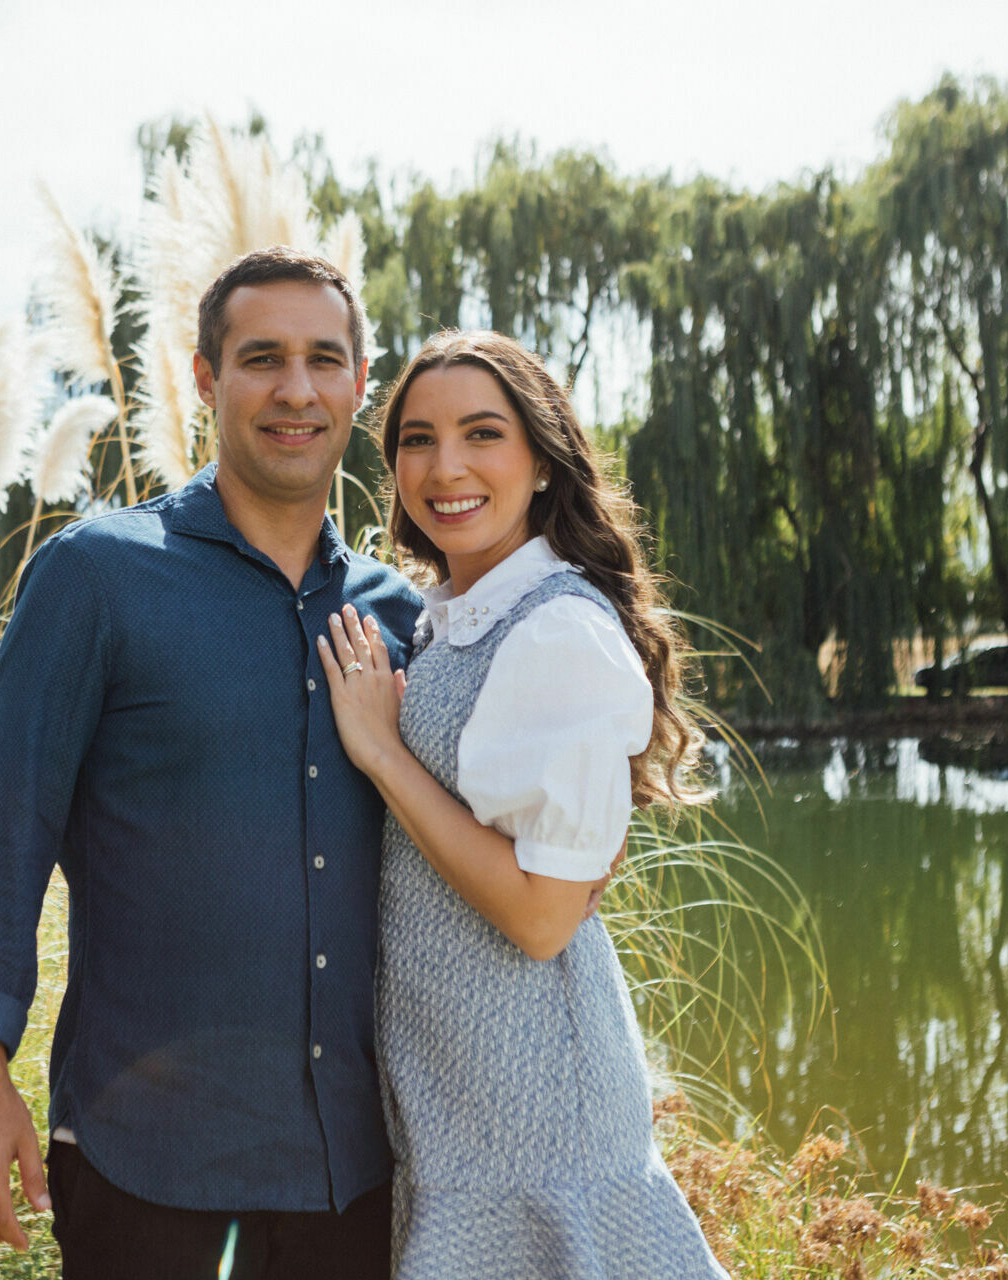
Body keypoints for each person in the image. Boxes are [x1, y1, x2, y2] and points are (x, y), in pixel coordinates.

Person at [0, 247, 424, 1278]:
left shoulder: (404, 615)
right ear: (206, 379)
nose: (296, 389)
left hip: (361, 1174)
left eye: (324, 360)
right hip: (147, 1166)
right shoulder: (95, 578)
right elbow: (6, 835)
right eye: (261, 358)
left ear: (359, 385)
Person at [314, 330, 730, 1279]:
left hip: (538, 1112)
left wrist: (381, 751)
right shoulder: (449, 614)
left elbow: (543, 918)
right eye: (416, 439)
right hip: (459, 1105)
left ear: (542, 461)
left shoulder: (556, 632)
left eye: (481, 434)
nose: (445, 466)